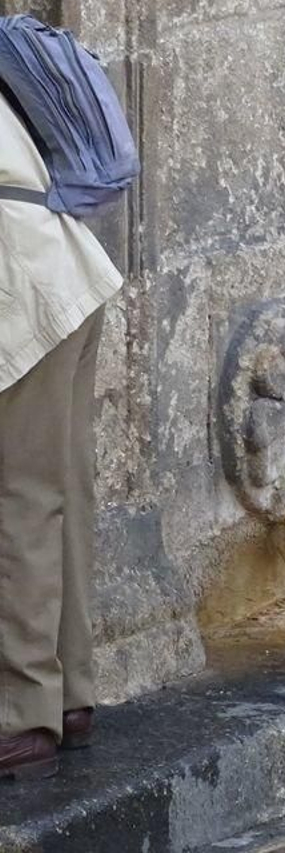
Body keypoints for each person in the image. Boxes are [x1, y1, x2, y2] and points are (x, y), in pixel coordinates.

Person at [0, 95, 123, 780]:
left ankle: (20, 715)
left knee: (17, 496)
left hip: (20, 283)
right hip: (64, 271)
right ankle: (69, 695)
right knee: (62, 493)